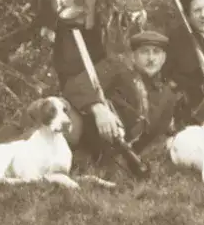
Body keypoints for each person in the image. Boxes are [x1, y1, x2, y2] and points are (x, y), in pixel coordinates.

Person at [63, 29, 180, 178]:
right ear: (133, 56)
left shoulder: (167, 96)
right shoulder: (115, 69)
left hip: (118, 152)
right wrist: (98, 109)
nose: (151, 58)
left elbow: (153, 137)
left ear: (164, 58)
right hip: (89, 137)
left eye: (156, 52)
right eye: (144, 52)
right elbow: (76, 85)